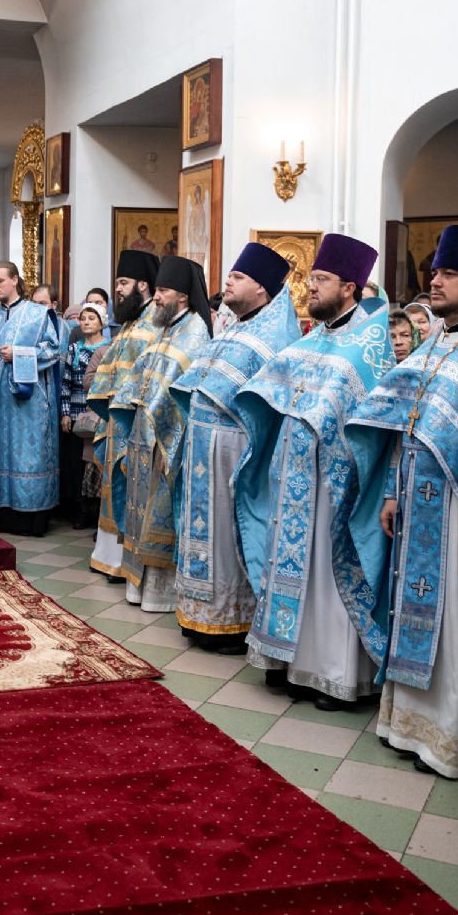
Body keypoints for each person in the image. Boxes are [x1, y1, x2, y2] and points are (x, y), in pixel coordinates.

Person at [346, 226, 458, 780]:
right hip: (420, 501)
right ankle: (409, 725)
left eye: (448, 274)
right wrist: (396, 492)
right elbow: (411, 424)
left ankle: (457, 736)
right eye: (435, 273)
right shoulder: (436, 343)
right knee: (419, 607)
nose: (436, 281)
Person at [234, 234, 393, 711]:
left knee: (327, 569)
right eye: (311, 280)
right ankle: (288, 658)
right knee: (292, 565)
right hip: (293, 474)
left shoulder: (370, 342)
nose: (311, 289)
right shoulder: (315, 336)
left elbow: (370, 416)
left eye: (320, 280)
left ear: (350, 287)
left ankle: (333, 672)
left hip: (335, 480)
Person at [169, 244, 299, 653]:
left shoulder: (276, 335)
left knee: (230, 532)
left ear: (262, 288)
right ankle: (199, 615)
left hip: (237, 451)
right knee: (202, 533)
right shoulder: (237, 326)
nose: (228, 280)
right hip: (204, 447)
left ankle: (233, 619)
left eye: (238, 277)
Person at [113, 256, 212, 613]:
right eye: (156, 291)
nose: (155, 297)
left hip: (168, 437)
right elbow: (143, 371)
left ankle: (162, 593)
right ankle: (138, 586)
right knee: (141, 507)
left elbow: (177, 386)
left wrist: (152, 413)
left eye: (163, 291)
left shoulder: (196, 331)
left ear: (182, 296)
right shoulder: (167, 327)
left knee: (160, 510)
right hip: (145, 431)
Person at [0, 260, 63, 536]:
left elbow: (53, 350)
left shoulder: (37, 315)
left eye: (0, 281)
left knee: (29, 456)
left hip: (27, 402)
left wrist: (18, 353)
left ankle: (30, 518)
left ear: (15, 280)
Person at [87, 250, 161, 577]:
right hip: (117, 421)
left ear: (143, 285)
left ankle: (127, 558)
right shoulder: (130, 322)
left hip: (136, 423)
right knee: (113, 486)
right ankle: (110, 556)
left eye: (123, 283)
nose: (117, 289)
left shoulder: (155, 322)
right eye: (117, 282)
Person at [59, 301, 110, 528]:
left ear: (101, 322)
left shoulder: (110, 347)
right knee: (76, 465)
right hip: (78, 413)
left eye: (92, 318)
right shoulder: (74, 348)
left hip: (101, 413)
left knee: (97, 463)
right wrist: (66, 413)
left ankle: (98, 514)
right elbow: (66, 383)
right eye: (83, 318)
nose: (86, 322)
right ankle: (79, 512)